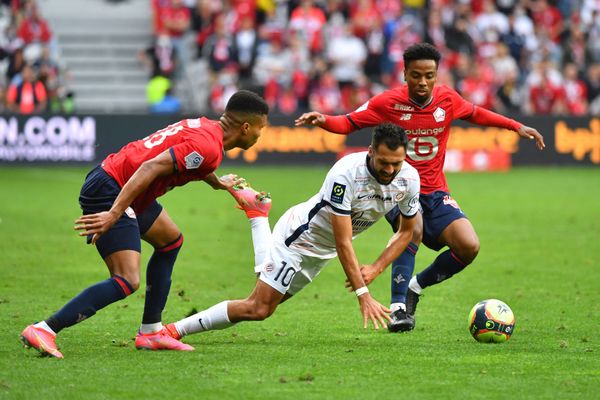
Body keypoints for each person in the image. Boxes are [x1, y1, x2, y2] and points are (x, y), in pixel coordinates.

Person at [295, 43, 545, 333]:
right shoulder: (388, 103)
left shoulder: (447, 99)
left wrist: (516, 126)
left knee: (468, 246)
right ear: (404, 74)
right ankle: (399, 308)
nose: (423, 82)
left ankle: (416, 286)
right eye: (416, 75)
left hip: (436, 191)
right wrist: (324, 121)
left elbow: (476, 113)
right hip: (395, 188)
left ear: (437, 74)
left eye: (429, 75)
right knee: (411, 229)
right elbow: (350, 122)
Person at [20, 90, 269, 358]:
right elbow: (150, 167)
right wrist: (114, 213)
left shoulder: (206, 129)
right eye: (260, 128)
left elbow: (192, 160)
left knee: (170, 241)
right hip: (113, 188)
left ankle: (151, 332)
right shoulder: (208, 146)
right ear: (245, 127)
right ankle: (45, 328)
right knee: (127, 279)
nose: (260, 135)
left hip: (124, 186)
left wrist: (217, 183)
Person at [158, 123, 420, 344]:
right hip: (299, 238)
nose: (389, 170)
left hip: (321, 253)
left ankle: (258, 214)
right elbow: (343, 240)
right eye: (383, 162)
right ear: (371, 151)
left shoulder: (409, 179)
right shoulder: (346, 174)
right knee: (259, 308)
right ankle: (171, 331)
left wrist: (376, 267)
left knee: (265, 300)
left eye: (396, 163)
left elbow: (408, 231)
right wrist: (364, 295)